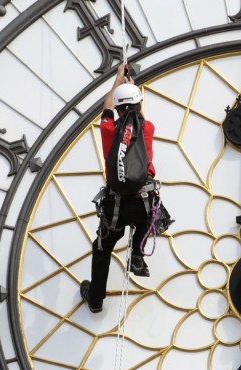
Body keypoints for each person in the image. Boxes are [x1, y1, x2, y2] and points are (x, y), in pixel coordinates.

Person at [80, 64, 160, 314]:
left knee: (102, 248)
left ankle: (95, 299)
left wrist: (118, 81)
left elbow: (107, 109)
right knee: (148, 222)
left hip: (116, 207)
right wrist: (132, 87)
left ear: (119, 107)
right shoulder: (147, 129)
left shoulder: (108, 130)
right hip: (144, 201)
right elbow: (139, 115)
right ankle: (136, 253)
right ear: (137, 106)